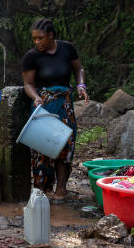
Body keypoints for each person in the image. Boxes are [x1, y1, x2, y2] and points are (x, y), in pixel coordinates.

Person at [21, 18, 89, 203]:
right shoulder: (31, 56)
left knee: (65, 146)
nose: (36, 42)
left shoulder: (67, 48)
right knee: (41, 148)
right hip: (43, 105)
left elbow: (78, 69)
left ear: (51, 36)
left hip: (65, 104)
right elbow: (28, 84)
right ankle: (41, 188)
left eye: (40, 38)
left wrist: (81, 85)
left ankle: (61, 188)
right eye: (34, 38)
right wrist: (35, 97)